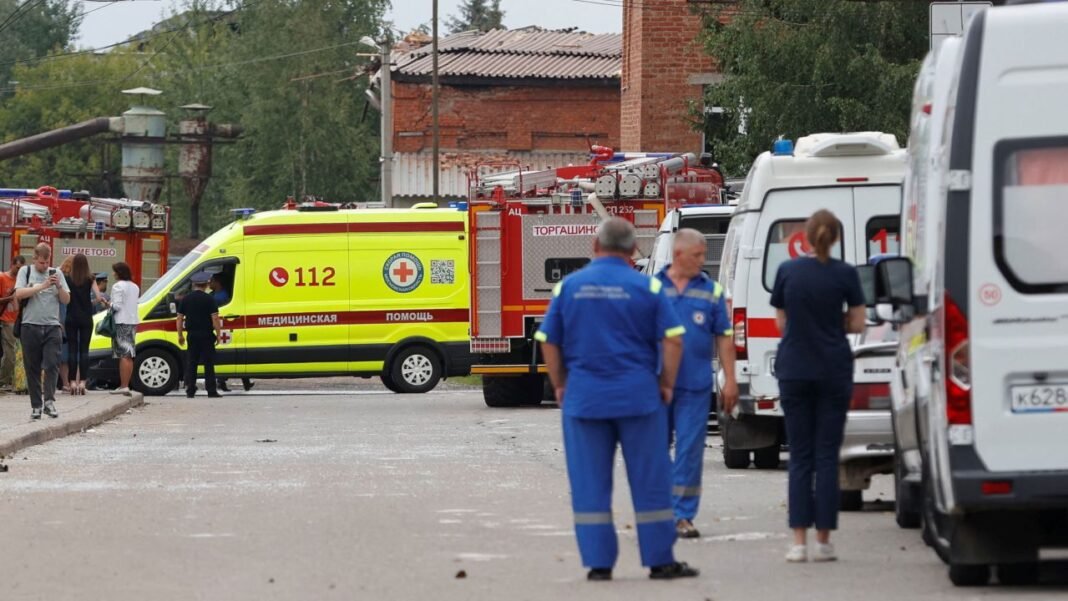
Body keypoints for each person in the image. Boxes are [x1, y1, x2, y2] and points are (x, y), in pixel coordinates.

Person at [535, 217, 698, 582]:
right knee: (651, 479)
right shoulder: (648, 288)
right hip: (640, 398)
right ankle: (659, 561)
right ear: (631, 251)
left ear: (595, 246)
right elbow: (673, 338)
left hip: (585, 400)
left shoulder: (568, 288)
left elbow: (549, 339)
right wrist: (667, 382)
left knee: (589, 483)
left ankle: (599, 564)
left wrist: (560, 383)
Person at [765, 209, 866, 563]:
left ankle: (798, 542)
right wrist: (832, 321)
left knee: (800, 458)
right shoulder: (845, 274)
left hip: (794, 369)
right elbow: (857, 322)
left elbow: (781, 322)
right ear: (835, 238)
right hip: (833, 370)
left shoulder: (787, 271)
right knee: (826, 457)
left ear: (806, 237)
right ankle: (824, 542)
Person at [654, 229, 739, 539]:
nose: (703, 261)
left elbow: (724, 338)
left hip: (694, 385)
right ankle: (660, 511)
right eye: (697, 255)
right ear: (678, 256)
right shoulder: (652, 288)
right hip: (656, 385)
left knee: (690, 450)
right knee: (654, 450)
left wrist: (730, 380)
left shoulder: (711, 291)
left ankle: (683, 515)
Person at [14, 244, 70, 419]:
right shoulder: (26, 271)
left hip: (52, 326)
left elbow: (66, 300)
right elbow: (19, 294)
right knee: (33, 368)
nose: (45, 266)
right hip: (30, 325)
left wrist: (59, 286)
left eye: (47, 262)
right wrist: (43, 285)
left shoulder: (56, 273)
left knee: (52, 364)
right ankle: (36, 406)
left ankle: (49, 402)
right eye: (41, 263)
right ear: (34, 259)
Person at [177, 271, 222, 399]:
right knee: (208, 363)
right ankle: (211, 390)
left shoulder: (186, 299)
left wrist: (180, 335)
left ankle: (190, 389)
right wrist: (218, 334)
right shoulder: (210, 299)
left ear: (194, 284)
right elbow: (215, 319)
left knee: (192, 362)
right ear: (206, 284)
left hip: (192, 335)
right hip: (206, 335)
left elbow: (179, 318)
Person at [65, 254, 104, 395]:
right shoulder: (91, 278)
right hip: (86, 318)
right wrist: (90, 303)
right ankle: (82, 382)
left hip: (71, 317)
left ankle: (72, 383)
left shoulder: (68, 278)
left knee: (72, 350)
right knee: (84, 351)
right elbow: (99, 297)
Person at [209, 273, 253, 392]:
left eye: (212, 280)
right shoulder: (215, 295)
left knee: (234, 356)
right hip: (223, 327)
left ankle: (227, 381)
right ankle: (240, 382)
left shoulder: (220, 297)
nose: (209, 282)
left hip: (225, 327)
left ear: (217, 283)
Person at [109, 261, 140, 396]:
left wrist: (108, 303)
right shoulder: (135, 287)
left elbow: (117, 306)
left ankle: (124, 385)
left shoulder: (117, 286)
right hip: (132, 321)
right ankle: (126, 384)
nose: (113, 273)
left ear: (119, 273)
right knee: (129, 354)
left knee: (123, 355)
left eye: (114, 271)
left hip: (121, 321)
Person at [0, 256, 26, 392]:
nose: (19, 270)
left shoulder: (20, 281)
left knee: (17, 354)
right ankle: (3, 381)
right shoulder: (2, 278)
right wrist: (9, 298)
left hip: (18, 320)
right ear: (12, 264)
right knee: (10, 353)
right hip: (6, 319)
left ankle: (11, 380)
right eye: (17, 267)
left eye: (22, 268)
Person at [57, 256, 74, 393]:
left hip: (56, 320)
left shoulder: (57, 275)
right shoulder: (69, 280)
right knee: (64, 356)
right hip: (64, 320)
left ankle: (62, 383)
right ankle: (66, 383)